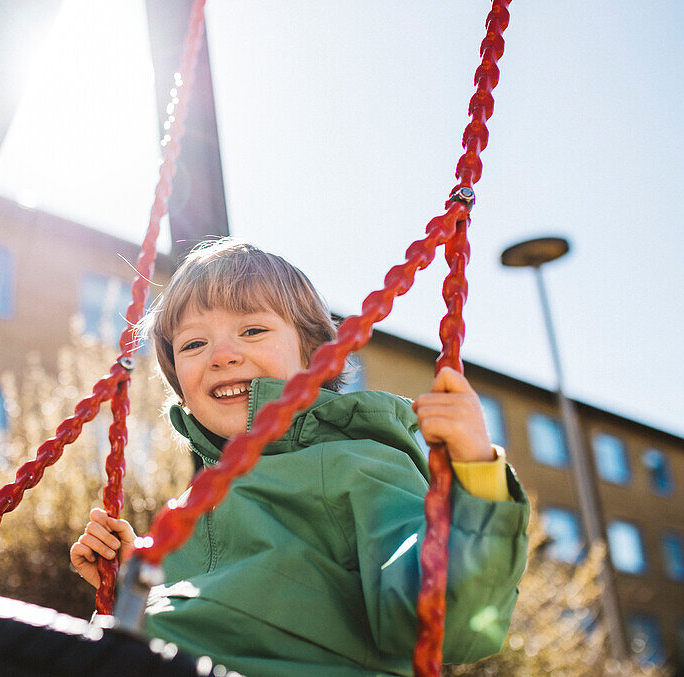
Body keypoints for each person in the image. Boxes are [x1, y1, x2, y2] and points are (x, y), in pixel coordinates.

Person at [70, 239, 529, 676]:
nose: (222, 355)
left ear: (314, 356)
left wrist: (476, 476)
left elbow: (445, 619)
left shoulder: (358, 462)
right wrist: (135, 585)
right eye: (193, 344)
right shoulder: (191, 509)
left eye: (252, 330)